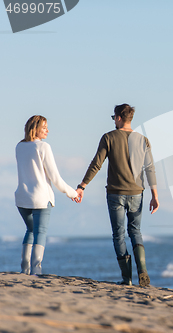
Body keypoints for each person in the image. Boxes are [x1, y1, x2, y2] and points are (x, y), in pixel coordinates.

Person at [76, 104, 159, 287]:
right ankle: (142, 271)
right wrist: (154, 194)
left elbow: (96, 164)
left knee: (119, 235)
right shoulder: (143, 140)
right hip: (137, 192)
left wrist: (82, 185)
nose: (114, 120)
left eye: (114, 117)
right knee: (135, 231)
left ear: (119, 118)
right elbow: (150, 168)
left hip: (115, 193)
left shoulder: (108, 138)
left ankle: (127, 279)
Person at [15, 115, 78, 275]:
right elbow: (55, 178)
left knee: (30, 230)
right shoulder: (43, 147)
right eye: (44, 128)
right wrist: (72, 192)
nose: (47, 131)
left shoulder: (19, 147)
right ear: (35, 129)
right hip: (41, 198)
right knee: (40, 232)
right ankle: (36, 269)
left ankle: (24, 269)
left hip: (22, 197)